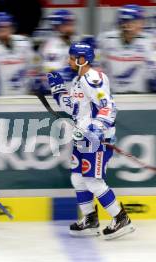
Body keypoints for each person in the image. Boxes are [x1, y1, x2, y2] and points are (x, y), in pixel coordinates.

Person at [47, 42, 135, 240]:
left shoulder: (94, 78)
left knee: (93, 181)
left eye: (71, 58)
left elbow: (108, 107)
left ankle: (121, 218)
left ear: (82, 60)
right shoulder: (79, 80)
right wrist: (58, 91)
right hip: (83, 138)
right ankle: (90, 219)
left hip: (97, 139)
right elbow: (74, 109)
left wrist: (97, 129)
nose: (68, 61)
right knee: (78, 178)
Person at [97, 4, 156, 93]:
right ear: (119, 23)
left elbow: (152, 67)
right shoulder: (106, 39)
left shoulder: (149, 41)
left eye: (134, 22)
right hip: (113, 95)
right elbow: (97, 65)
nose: (128, 26)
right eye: (125, 22)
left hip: (141, 97)